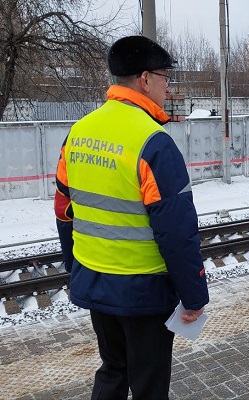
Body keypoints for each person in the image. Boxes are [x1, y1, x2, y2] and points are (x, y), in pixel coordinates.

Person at [53, 35, 209, 400]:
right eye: (164, 78)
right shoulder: (153, 142)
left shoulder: (78, 132)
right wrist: (194, 295)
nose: (167, 87)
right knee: (149, 384)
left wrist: (75, 266)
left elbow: (63, 209)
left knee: (112, 369)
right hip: (144, 292)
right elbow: (177, 232)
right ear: (144, 79)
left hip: (95, 279)